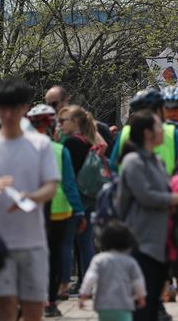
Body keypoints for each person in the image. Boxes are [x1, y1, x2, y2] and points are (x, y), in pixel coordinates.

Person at [0, 79, 59, 321]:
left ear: (24, 108)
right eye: (2, 108)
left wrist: (30, 196)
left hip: (33, 241)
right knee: (6, 306)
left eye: (14, 108)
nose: (8, 115)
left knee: (34, 309)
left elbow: (51, 186)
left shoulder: (41, 144)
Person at [116, 109, 178, 321]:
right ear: (148, 133)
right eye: (159, 126)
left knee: (152, 305)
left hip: (160, 243)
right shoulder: (133, 162)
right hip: (141, 243)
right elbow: (146, 196)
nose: (163, 130)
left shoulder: (154, 160)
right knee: (142, 307)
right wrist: (176, 199)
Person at [26, 104, 86, 317]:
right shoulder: (60, 150)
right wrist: (79, 212)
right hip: (60, 210)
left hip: (29, 211)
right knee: (57, 255)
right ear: (53, 126)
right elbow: (69, 184)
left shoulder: (21, 148)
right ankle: (50, 302)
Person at [58, 104, 102, 294]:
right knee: (86, 241)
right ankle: (88, 283)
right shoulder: (88, 140)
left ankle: (65, 285)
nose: (60, 125)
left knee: (69, 241)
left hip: (78, 195)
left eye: (63, 121)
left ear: (75, 122)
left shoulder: (70, 143)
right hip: (91, 194)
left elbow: (68, 174)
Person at [79, 221, 147, 321]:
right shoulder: (130, 261)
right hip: (124, 305)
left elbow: (90, 277)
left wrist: (84, 294)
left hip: (103, 306)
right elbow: (138, 280)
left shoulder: (99, 259)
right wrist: (141, 296)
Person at [110, 89, 178, 175]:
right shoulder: (171, 131)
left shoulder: (125, 132)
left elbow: (113, 167)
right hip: (167, 187)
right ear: (158, 111)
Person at [45, 85, 114, 155]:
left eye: (54, 104)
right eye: (48, 105)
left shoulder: (92, 125)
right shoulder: (50, 127)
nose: (50, 109)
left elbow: (105, 150)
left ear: (66, 101)